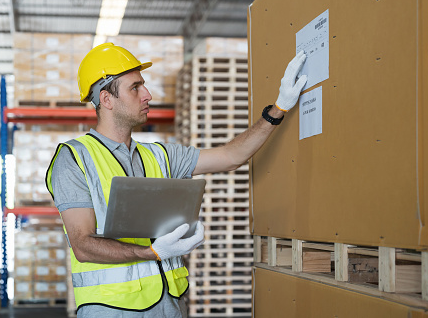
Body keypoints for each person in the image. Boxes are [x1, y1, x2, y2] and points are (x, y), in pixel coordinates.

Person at [45, 43, 307, 318]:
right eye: (135, 87)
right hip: (112, 310)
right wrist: (153, 252)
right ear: (106, 99)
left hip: (170, 306)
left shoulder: (161, 155)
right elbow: (83, 245)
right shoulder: (74, 158)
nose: (147, 94)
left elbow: (232, 156)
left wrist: (279, 107)